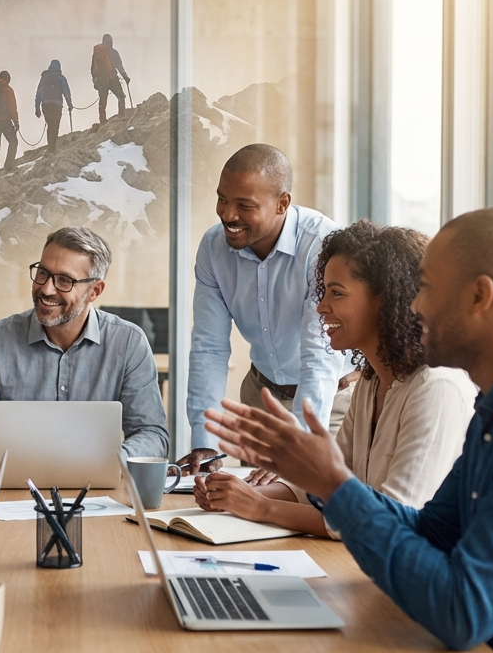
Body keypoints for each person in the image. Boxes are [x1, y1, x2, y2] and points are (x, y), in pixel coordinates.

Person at [204, 207, 493, 653]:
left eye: (427, 287)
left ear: (479, 296)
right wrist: (323, 482)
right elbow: (430, 530)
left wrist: (335, 487)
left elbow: (462, 611)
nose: (416, 306)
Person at [193, 220, 475, 537]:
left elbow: (393, 520)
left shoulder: (436, 387)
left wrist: (262, 508)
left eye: (336, 293)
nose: (322, 307)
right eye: (324, 291)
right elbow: (329, 489)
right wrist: (236, 495)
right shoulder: (370, 383)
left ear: (386, 300)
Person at [178, 144, 355, 476]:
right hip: (261, 399)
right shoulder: (213, 249)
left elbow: (320, 355)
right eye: (222, 200)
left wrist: (299, 447)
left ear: (282, 203)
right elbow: (210, 348)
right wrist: (207, 440)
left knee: (313, 509)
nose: (228, 215)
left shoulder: (323, 245)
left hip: (331, 402)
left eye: (245, 206)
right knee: (251, 514)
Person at [0, 226, 169, 459]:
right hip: (14, 489)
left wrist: (107, 463)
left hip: (99, 491)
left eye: (64, 280)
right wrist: (19, 461)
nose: (47, 289)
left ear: (95, 290)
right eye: (43, 273)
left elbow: (151, 434)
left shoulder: (129, 343)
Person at [34, 59, 73, 155]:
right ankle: (52, 147)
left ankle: (50, 146)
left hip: (46, 105)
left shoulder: (44, 78)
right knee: (55, 126)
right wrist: (70, 104)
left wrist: (37, 107)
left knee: (50, 125)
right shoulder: (61, 78)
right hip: (56, 105)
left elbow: (39, 92)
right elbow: (66, 92)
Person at [90, 33, 129, 126]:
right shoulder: (113, 52)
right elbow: (119, 66)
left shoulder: (96, 53)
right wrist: (125, 77)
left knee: (103, 100)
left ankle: (102, 120)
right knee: (121, 96)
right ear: (111, 41)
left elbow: (92, 68)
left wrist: (95, 80)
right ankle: (122, 116)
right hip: (112, 79)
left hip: (100, 80)